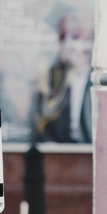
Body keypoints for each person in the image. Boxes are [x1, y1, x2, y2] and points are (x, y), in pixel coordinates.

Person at [31, 9, 94, 144]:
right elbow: (41, 124)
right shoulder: (54, 76)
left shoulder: (99, 79)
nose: (81, 47)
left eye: (88, 39)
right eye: (75, 38)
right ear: (62, 42)